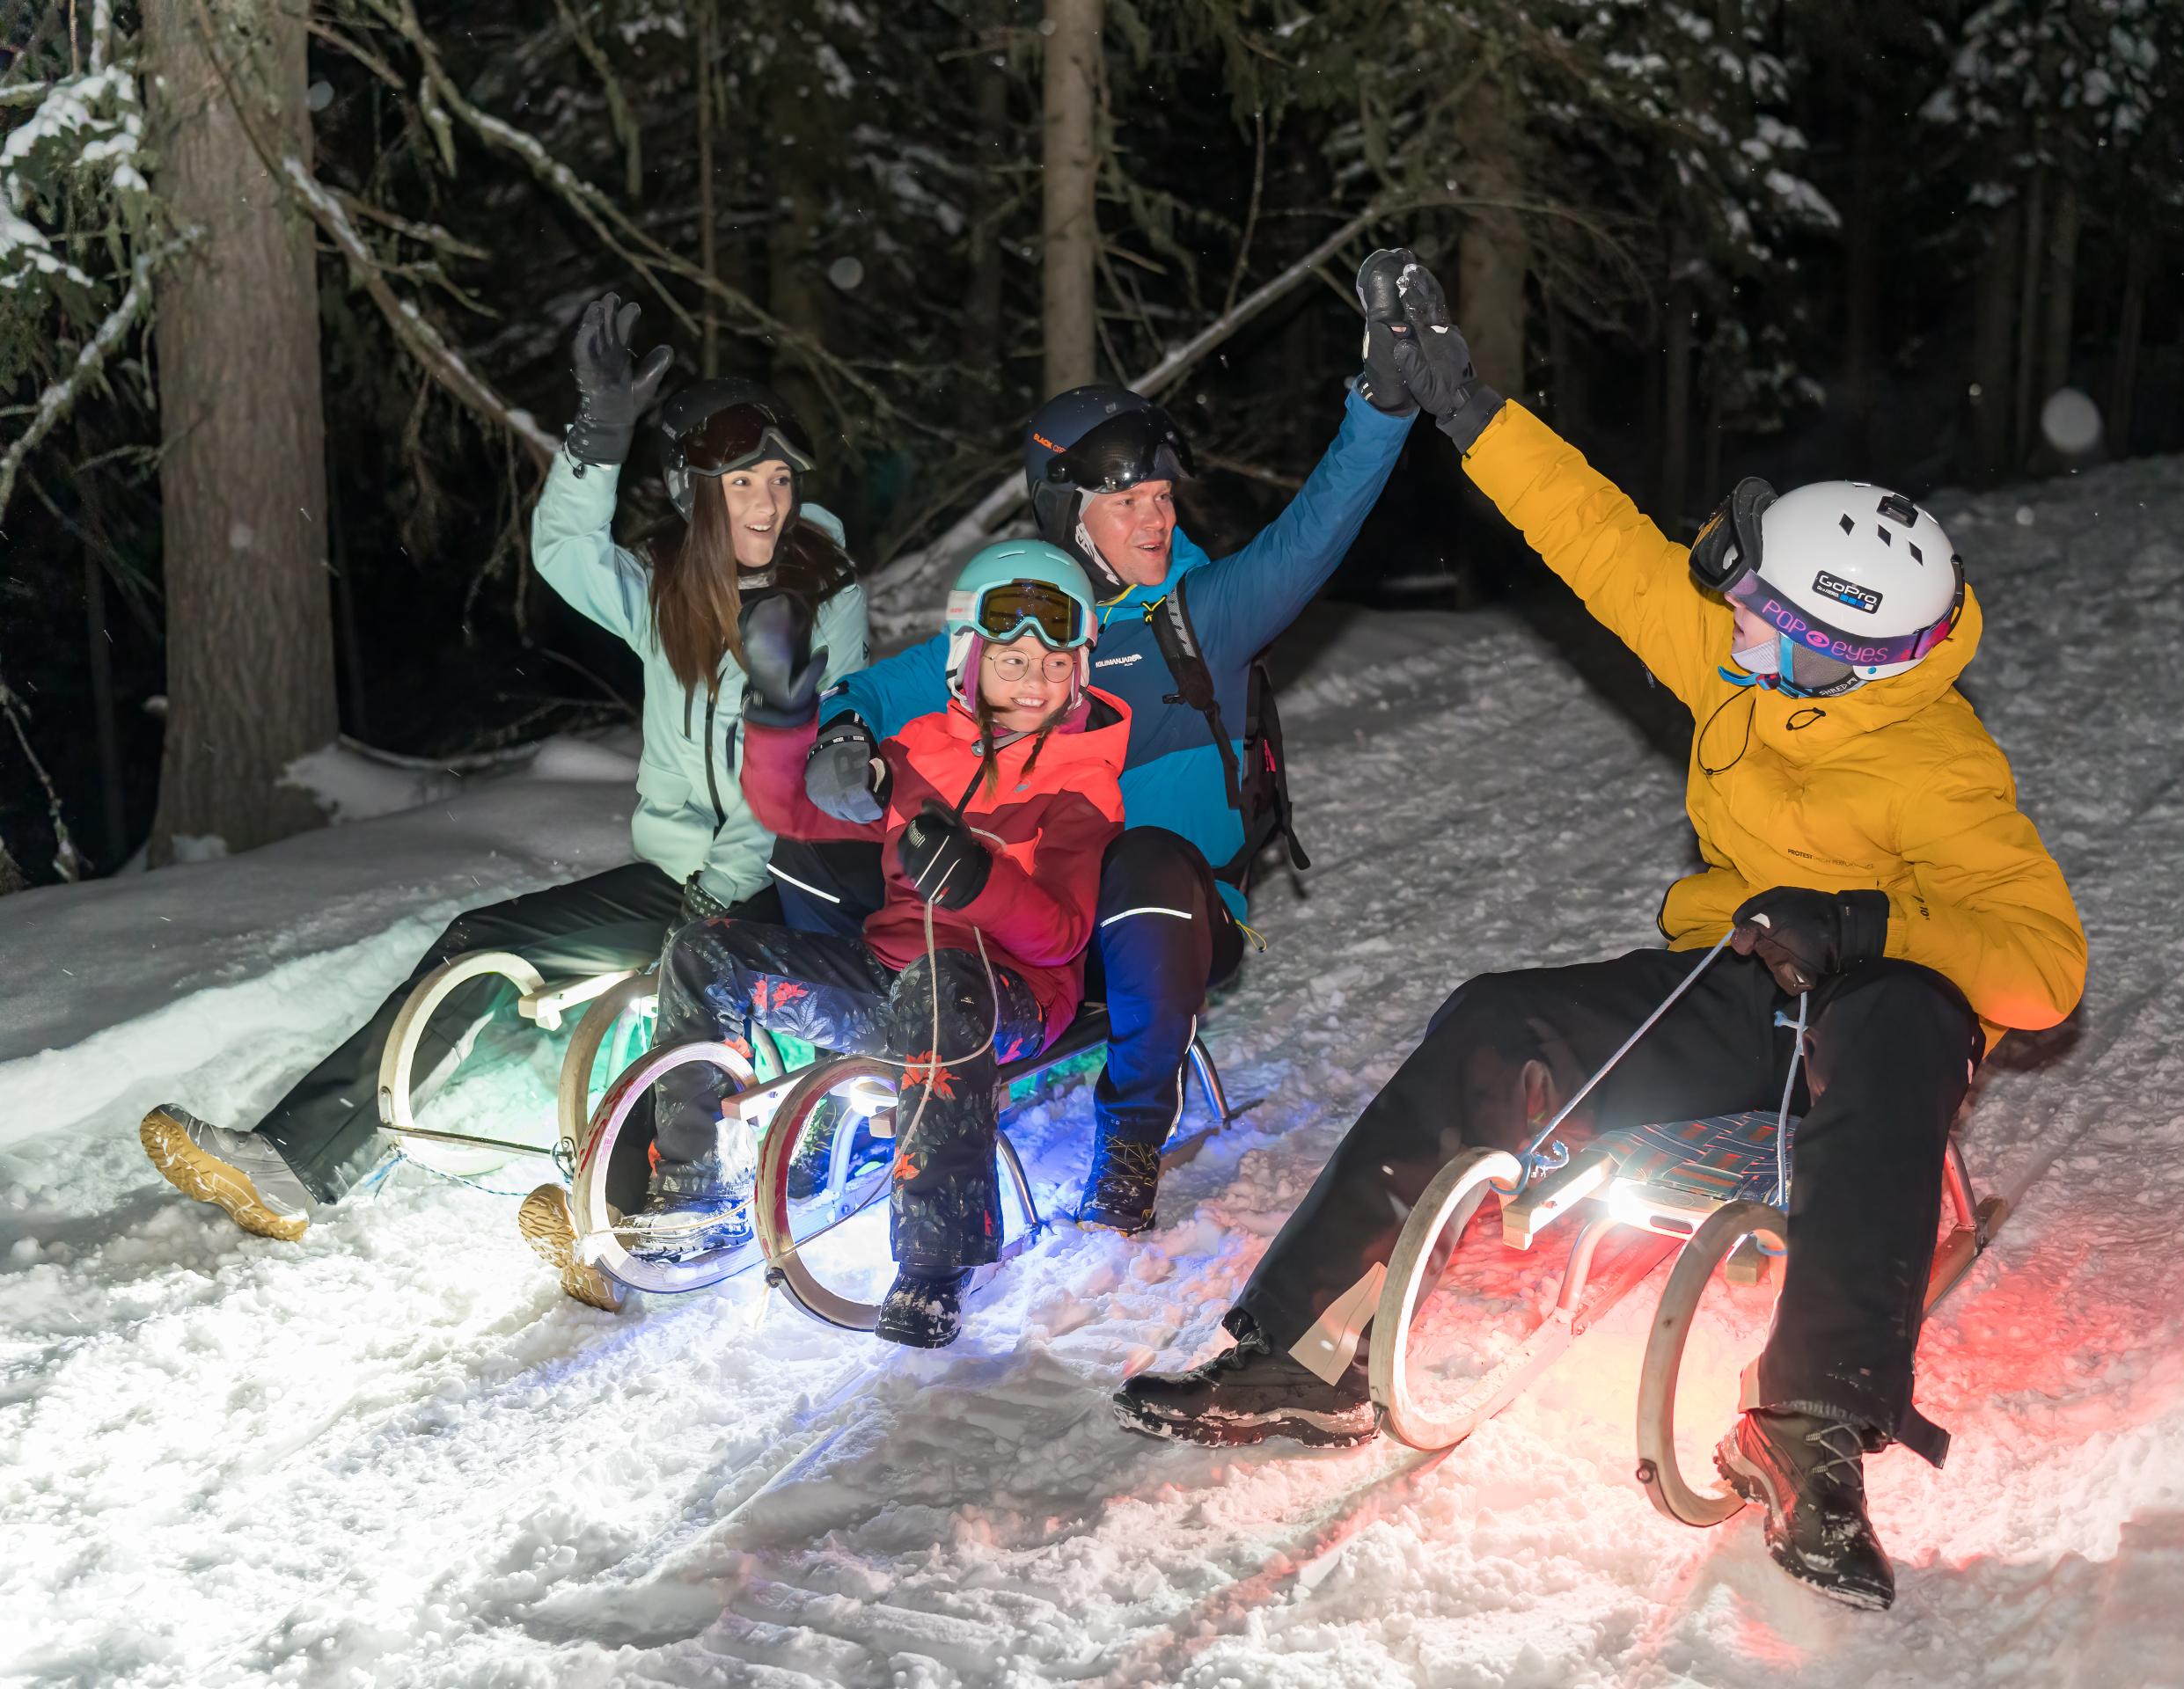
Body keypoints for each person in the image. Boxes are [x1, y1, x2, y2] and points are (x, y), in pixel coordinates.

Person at [1112, 264, 2086, 1613]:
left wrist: (1865, 924)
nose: (1725, 618)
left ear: (1832, 645)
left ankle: (1808, 1431)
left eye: (1758, 610)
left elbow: (2047, 969)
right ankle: (1307, 1351)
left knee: (1902, 1016)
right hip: (1745, 983)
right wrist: (1466, 411)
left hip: (1874, 1026)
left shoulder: (1940, 761)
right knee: (1495, 1019)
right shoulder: (1739, 660)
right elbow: (1602, 537)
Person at [139, 295, 869, 1255]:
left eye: (776, 479)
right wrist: (599, 431)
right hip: (682, 874)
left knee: (681, 995)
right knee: (481, 943)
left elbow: (807, 771)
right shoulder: (668, 591)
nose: (768, 503)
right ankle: (298, 1163)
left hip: (786, 885)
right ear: (696, 494)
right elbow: (565, 551)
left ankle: (645, 1217)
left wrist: (723, 892)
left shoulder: (826, 592)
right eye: (742, 484)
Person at [775, 252, 1422, 1236]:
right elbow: (875, 686)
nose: (1159, 517)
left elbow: (1317, 528)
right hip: (1018, 914)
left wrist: (1380, 402)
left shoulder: (1209, 613)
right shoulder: (1018, 626)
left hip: (1161, 920)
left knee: (1142, 858)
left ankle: (1128, 1136)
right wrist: (843, 735)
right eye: (1131, 502)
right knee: (818, 847)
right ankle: (855, 1069)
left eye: (1164, 497)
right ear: (1070, 517)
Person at [594, 540, 1126, 1346]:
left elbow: (1060, 934)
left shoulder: (1081, 782)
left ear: (1081, 671)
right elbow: (792, 814)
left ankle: (936, 1265)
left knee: (939, 988)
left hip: (1005, 997)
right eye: (1014, 659)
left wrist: (977, 881)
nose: (1035, 682)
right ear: (968, 657)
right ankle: (698, 1189)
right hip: (892, 977)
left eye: (1056, 665)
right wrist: (780, 717)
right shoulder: (924, 750)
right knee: (706, 951)